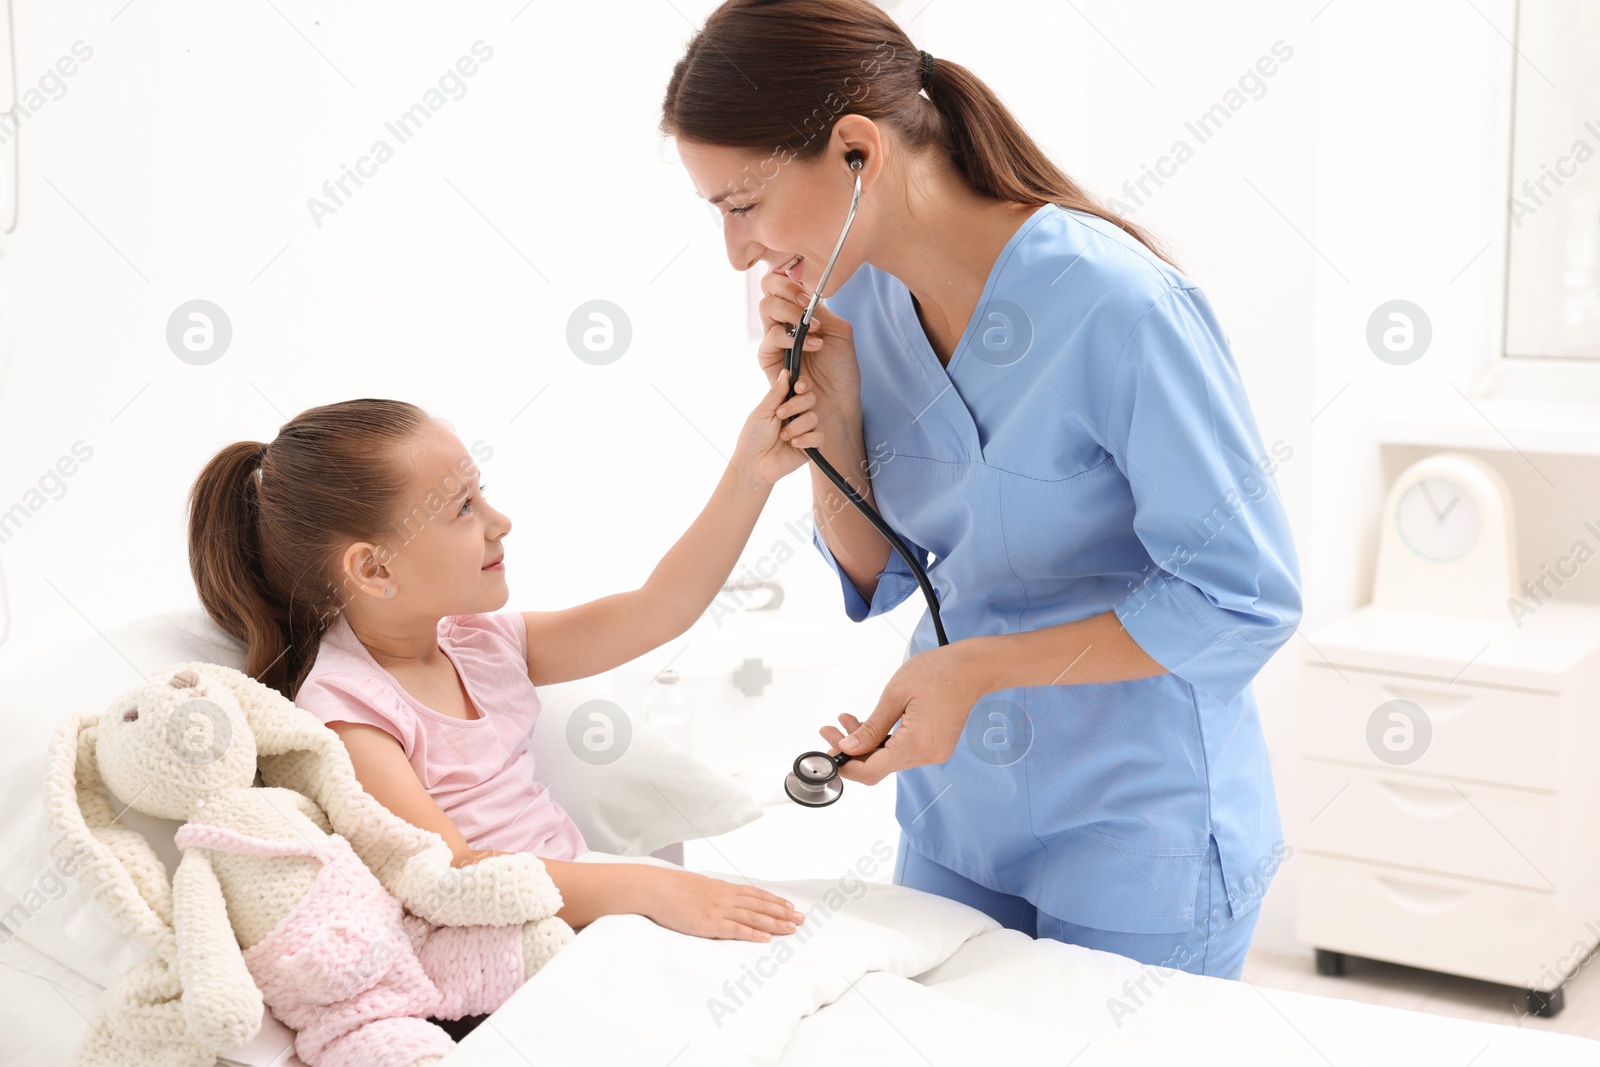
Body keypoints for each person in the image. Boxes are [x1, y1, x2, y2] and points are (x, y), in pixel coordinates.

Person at [662, 0, 1303, 979]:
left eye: (739, 204)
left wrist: (980, 669)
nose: (737, 250)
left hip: (1140, 823)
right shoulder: (856, 299)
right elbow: (878, 567)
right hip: (961, 813)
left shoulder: (1117, 307)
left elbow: (1240, 596)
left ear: (856, 151)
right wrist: (830, 413)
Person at [185, 374, 822, 943]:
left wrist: (751, 472)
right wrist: (652, 889)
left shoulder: (477, 641)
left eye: (481, 492)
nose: (500, 521)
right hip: (501, 942)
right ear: (375, 568)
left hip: (578, 910)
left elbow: (657, 611)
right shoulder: (349, 713)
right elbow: (451, 874)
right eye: (463, 507)